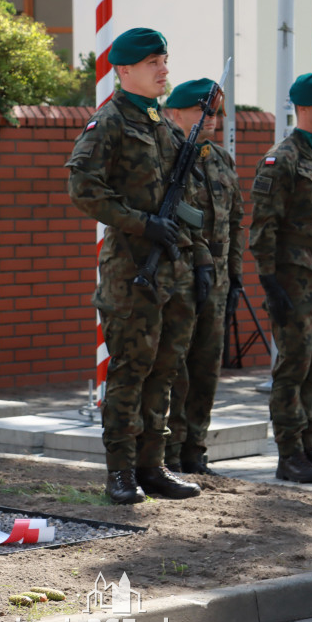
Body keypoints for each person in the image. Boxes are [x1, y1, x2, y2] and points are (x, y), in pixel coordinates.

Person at [66, 28, 205, 504]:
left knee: (165, 371)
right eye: (152, 62)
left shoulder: (162, 124)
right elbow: (83, 186)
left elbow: (186, 198)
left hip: (172, 268)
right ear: (124, 71)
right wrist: (141, 223)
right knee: (130, 371)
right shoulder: (108, 123)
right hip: (132, 270)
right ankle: (120, 472)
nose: (163, 68)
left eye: (164, 59)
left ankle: (152, 466)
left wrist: (199, 261)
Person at [249, 71, 312, 484]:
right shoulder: (283, 158)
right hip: (294, 280)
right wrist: (270, 282)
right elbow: (263, 227)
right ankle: (288, 453)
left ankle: (311, 446)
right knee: (293, 367)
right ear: (304, 108)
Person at [163, 78, 245, 475]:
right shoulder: (170, 157)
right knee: (174, 366)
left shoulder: (221, 159)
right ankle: (169, 449)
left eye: (214, 112)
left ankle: (195, 449)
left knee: (207, 367)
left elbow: (236, 222)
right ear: (174, 114)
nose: (211, 118)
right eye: (202, 111)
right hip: (180, 278)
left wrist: (235, 277)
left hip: (218, 281)